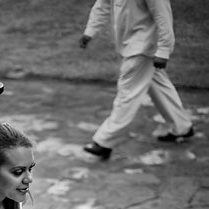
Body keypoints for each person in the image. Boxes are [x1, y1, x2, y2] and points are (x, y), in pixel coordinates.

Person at [79, 0, 194, 160]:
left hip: (143, 47)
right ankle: (182, 127)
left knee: (127, 94)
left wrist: (163, 50)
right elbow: (103, 4)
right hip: (130, 44)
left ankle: (103, 142)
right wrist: (90, 31)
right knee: (159, 86)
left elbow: (163, 16)